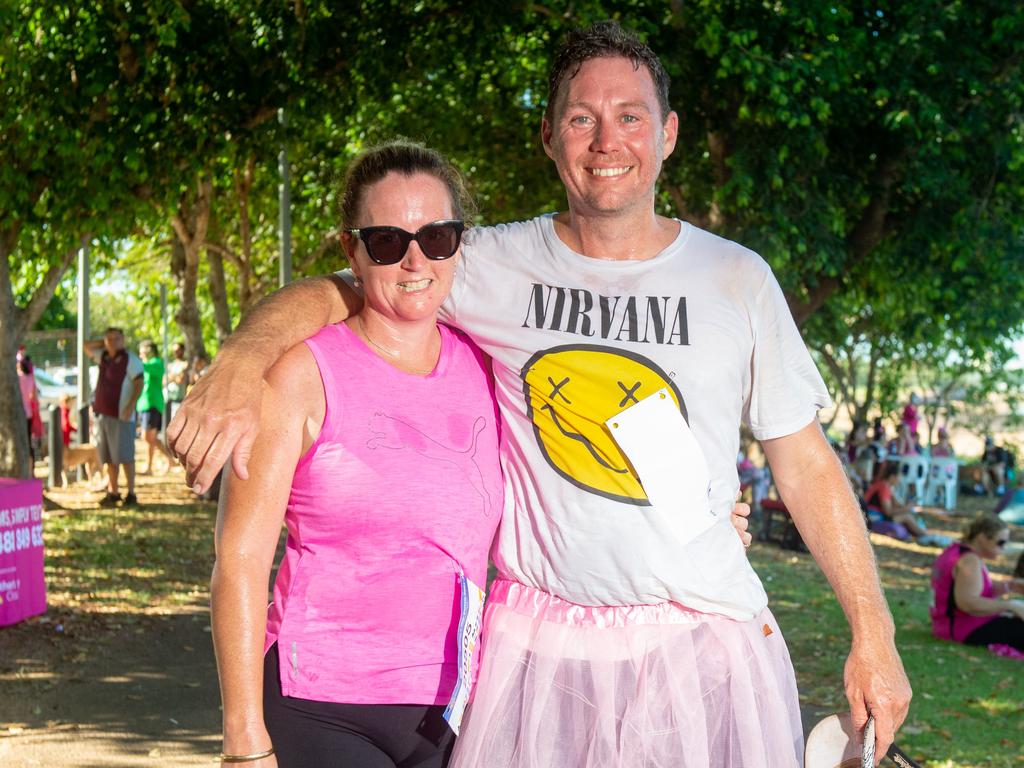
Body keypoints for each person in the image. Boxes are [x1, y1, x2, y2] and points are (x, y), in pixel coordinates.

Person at [171, 22, 910, 763]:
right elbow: (346, 288)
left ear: (670, 133)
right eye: (582, 119)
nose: (606, 141)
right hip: (539, 656)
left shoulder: (737, 279)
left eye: (631, 117)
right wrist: (243, 358)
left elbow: (806, 463)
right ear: (550, 139)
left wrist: (872, 632)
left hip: (703, 645)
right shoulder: (483, 260)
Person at [211, 142, 505, 767]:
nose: (415, 260)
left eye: (439, 237)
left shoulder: (488, 365)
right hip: (320, 704)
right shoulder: (300, 374)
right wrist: (244, 742)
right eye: (387, 243)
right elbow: (239, 558)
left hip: (458, 707)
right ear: (351, 250)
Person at [930, 514, 1024, 652]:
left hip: (949, 626)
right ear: (982, 538)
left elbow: (975, 592)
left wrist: (1009, 586)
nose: (1003, 548)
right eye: (1001, 543)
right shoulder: (969, 561)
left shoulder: (957, 551)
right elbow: (968, 603)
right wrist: (1011, 606)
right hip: (963, 629)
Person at [85, 327, 144, 507]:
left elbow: (139, 383)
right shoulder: (103, 356)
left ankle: (131, 493)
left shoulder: (131, 360)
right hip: (104, 414)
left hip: (122, 416)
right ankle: (114, 491)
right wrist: (104, 343)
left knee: (125, 456)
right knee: (109, 457)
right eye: (109, 339)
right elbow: (86, 347)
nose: (112, 342)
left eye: (117, 339)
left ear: (123, 340)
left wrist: (131, 405)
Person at [137, 341, 175, 475]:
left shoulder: (157, 363)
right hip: (143, 404)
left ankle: (154, 465)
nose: (140, 353)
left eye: (142, 351)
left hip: (152, 404)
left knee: (148, 437)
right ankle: (165, 461)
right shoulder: (147, 364)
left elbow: (143, 365)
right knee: (148, 438)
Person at [16, 355, 39, 464]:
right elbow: (34, 397)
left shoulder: (17, 378)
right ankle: (31, 467)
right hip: (28, 413)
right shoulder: (31, 378)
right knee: (28, 441)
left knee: (18, 441)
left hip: (18, 414)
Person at [164, 342, 190, 420]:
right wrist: (176, 376)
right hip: (167, 398)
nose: (175, 352)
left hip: (178, 399)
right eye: (174, 350)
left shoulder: (185, 364)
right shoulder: (170, 365)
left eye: (177, 350)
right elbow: (164, 381)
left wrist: (171, 376)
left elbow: (180, 380)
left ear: (182, 351)